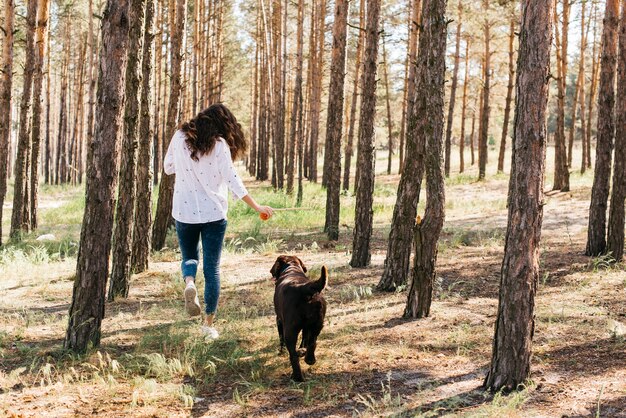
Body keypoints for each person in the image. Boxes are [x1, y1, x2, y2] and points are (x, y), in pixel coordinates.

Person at [164, 103, 273, 339]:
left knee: (189, 256)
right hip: (213, 213)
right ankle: (208, 325)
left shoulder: (179, 136)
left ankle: (190, 283)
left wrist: (187, 166)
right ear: (222, 124)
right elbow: (233, 180)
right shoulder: (220, 144)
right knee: (212, 269)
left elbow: (167, 168)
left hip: (184, 211)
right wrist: (257, 207)